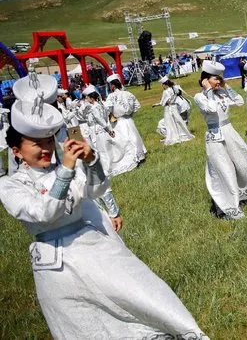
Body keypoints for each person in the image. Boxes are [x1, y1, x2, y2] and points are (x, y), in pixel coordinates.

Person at [0, 74, 209, 339]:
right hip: (55, 268)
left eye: (47, 141)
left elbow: (95, 189)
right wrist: (66, 169)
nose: (44, 149)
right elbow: (44, 213)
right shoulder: (9, 186)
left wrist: (90, 161)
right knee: (82, 326)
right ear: (16, 151)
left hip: (93, 248)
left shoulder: (63, 166)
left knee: (137, 293)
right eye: (35, 144)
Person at [194, 61, 247, 219]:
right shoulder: (199, 97)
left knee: (244, 163)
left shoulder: (222, 93)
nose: (218, 81)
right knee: (224, 170)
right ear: (205, 80)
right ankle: (229, 207)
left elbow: (239, 101)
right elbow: (211, 108)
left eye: (219, 78)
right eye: (215, 79)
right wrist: (209, 91)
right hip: (215, 137)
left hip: (230, 133)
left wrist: (226, 87)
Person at [83, 85, 137, 177]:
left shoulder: (94, 107)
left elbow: (99, 119)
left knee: (103, 151)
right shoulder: (101, 105)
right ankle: (110, 166)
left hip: (99, 130)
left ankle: (107, 169)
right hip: (104, 129)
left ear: (91, 98)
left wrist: (108, 129)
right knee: (108, 149)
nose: (86, 99)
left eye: (87, 97)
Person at [105, 74, 147, 164]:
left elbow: (107, 109)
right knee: (134, 137)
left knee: (124, 139)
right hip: (129, 119)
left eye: (110, 85)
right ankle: (140, 155)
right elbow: (137, 106)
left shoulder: (111, 96)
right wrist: (130, 114)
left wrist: (109, 117)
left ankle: (131, 158)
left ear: (113, 85)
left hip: (118, 121)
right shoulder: (128, 94)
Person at [153, 77, 194, 145]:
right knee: (177, 121)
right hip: (174, 107)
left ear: (165, 84)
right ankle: (182, 134)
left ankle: (172, 136)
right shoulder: (174, 89)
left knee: (169, 123)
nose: (162, 86)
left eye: (162, 85)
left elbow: (163, 102)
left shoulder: (166, 91)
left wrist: (156, 104)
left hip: (168, 108)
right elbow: (178, 91)